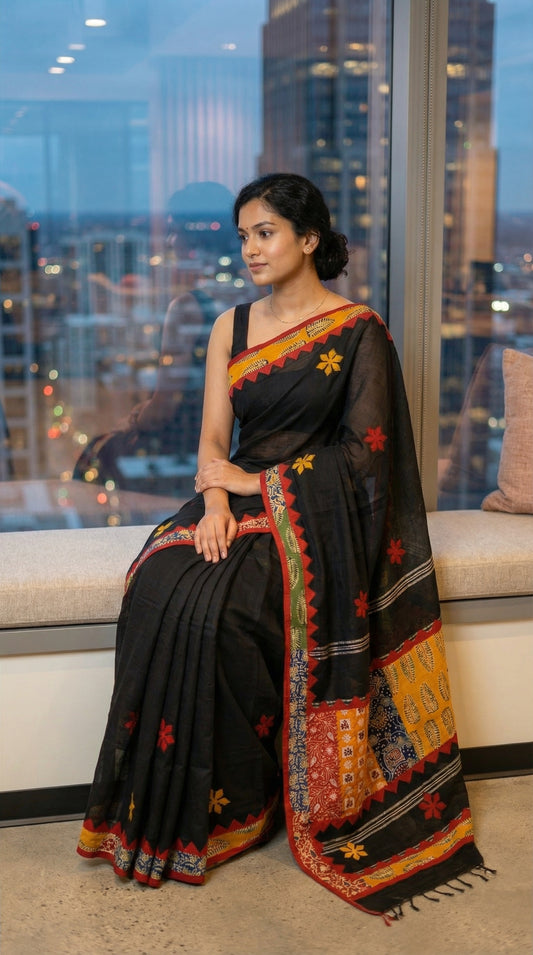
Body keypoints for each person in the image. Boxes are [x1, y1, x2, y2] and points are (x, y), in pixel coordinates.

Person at [77, 173, 488, 919]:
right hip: (229, 497)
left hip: (312, 520)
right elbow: (210, 438)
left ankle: (244, 803)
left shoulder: (356, 329)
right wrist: (212, 501)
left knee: (227, 611)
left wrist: (257, 487)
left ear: (307, 239)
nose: (250, 249)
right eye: (242, 236)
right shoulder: (228, 326)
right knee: (157, 584)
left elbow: (366, 458)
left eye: (264, 232)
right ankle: (171, 803)